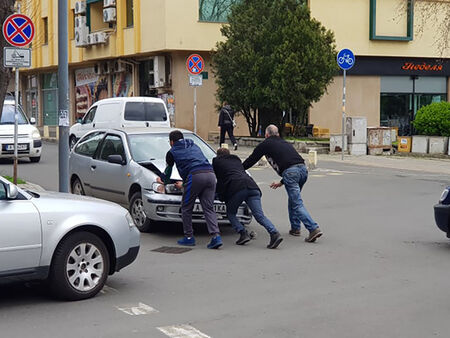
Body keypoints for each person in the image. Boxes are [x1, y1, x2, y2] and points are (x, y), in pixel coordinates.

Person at [242, 125, 323, 242]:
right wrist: (282, 182)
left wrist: (238, 169)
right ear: (278, 134)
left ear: (266, 135)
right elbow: (292, 162)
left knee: (296, 203)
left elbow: (252, 159)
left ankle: (313, 228)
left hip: (291, 172)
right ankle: (295, 228)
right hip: (303, 170)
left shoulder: (266, 144)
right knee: (293, 200)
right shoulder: (284, 142)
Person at [160, 130, 222, 249]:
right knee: (208, 207)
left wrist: (163, 180)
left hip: (195, 176)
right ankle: (216, 236)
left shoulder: (172, 151)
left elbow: (168, 170)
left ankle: (189, 237)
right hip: (210, 174)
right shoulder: (194, 145)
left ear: (171, 142)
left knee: (186, 207)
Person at [213, 148, 283, 249]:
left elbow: (220, 181)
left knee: (231, 213)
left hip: (238, 189)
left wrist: (221, 196)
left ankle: (243, 233)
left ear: (218, 156)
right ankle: (274, 233)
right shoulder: (236, 160)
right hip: (253, 187)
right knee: (259, 215)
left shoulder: (217, 162)